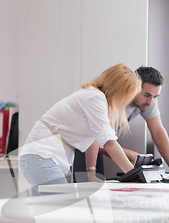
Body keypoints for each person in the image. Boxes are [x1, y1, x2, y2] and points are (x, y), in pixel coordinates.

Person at [19, 63, 141, 194]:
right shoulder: (95, 98)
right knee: (63, 208)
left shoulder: (94, 96)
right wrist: (133, 175)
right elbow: (109, 143)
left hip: (40, 157)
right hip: (41, 156)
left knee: (46, 211)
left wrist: (91, 173)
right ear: (120, 92)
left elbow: (94, 139)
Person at [87, 66, 169, 174]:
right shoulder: (111, 101)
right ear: (134, 87)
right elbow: (103, 140)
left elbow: (158, 132)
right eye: (147, 95)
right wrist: (132, 156)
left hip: (95, 146)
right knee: (83, 185)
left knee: (96, 186)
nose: (150, 102)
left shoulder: (148, 102)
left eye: (155, 97)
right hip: (82, 145)